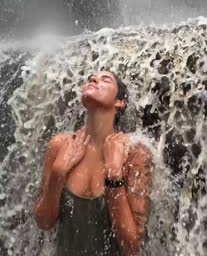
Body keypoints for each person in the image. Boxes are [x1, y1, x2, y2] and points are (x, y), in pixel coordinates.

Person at [33, 71, 153, 256]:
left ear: (119, 102)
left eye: (105, 79)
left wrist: (114, 174)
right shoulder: (60, 146)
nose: (94, 80)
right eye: (91, 78)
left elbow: (132, 247)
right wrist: (58, 172)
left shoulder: (134, 154)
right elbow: (44, 222)